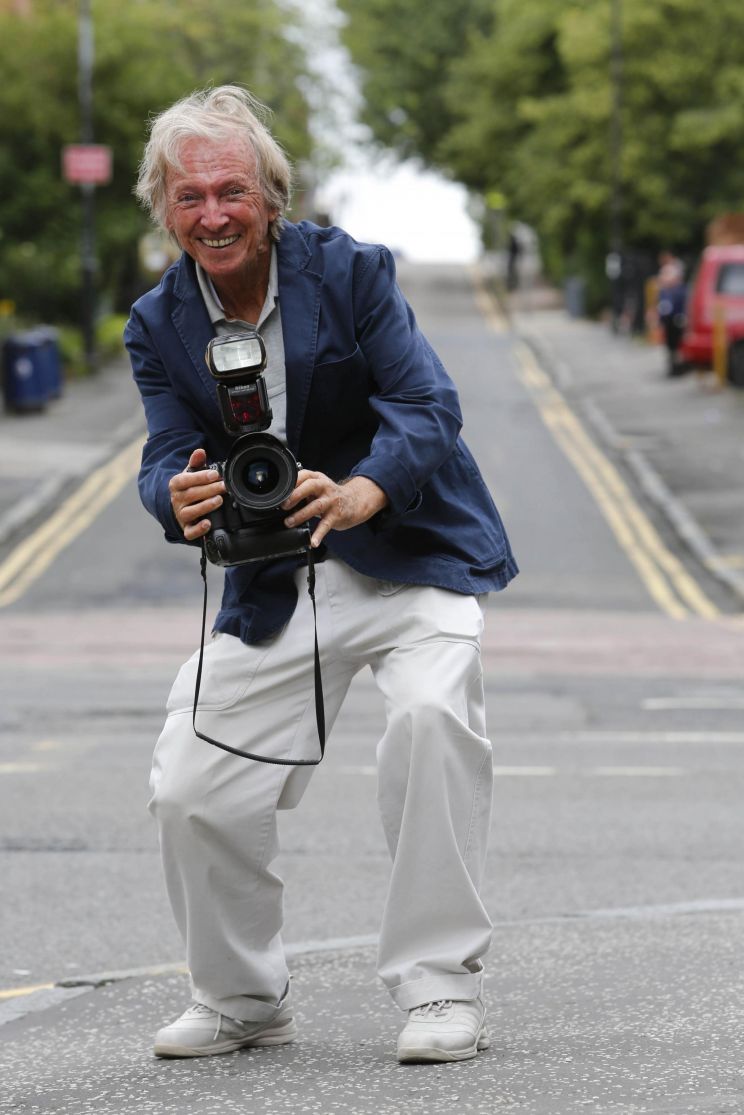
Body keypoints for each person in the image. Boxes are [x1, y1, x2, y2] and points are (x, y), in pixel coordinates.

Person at [125, 85, 518, 1065]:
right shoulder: (156, 320)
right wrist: (170, 499)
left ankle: (437, 988)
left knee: (431, 716)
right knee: (189, 781)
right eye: (188, 196)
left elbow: (429, 403)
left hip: (406, 550)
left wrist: (361, 491)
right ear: (163, 206)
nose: (211, 214)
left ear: (271, 195)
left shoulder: (352, 273)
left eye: (230, 190)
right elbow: (166, 451)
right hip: (268, 579)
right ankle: (241, 994)